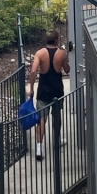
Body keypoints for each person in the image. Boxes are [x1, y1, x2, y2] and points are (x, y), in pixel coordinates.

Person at [27, 31, 69, 160]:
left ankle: (39, 149)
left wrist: (31, 89)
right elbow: (67, 70)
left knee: (42, 119)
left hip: (43, 91)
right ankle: (56, 142)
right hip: (57, 90)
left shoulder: (40, 53)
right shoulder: (61, 53)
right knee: (57, 117)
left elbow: (33, 71)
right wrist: (64, 62)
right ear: (56, 40)